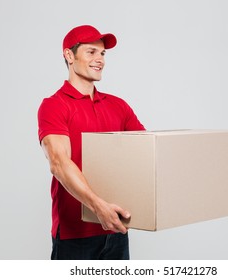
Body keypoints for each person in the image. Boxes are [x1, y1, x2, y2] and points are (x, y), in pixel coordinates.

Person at [37, 25, 145, 260]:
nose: (100, 60)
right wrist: (99, 207)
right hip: (75, 236)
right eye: (91, 52)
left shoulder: (118, 105)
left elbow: (145, 153)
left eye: (103, 53)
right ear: (69, 55)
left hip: (117, 228)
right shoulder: (55, 105)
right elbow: (59, 162)